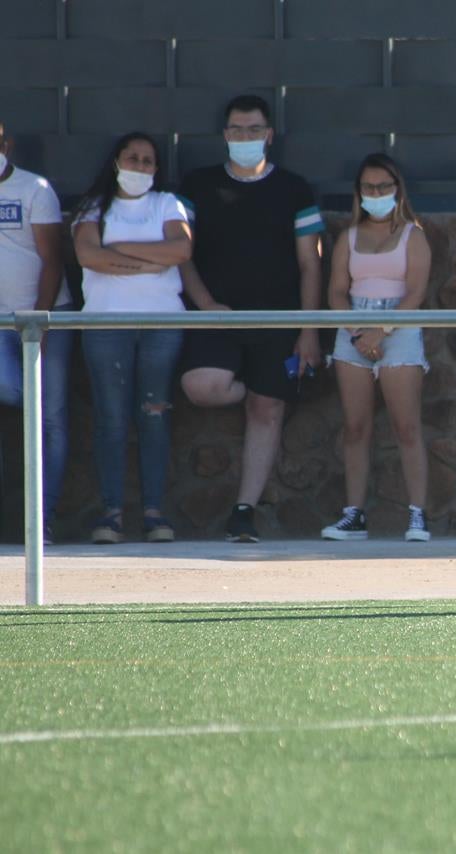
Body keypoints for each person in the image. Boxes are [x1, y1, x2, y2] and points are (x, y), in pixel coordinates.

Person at [177, 94, 324, 543]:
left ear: (269, 135)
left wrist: (309, 330)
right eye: (238, 130)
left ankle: (244, 512)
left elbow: (311, 264)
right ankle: (262, 387)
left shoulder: (295, 189)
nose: (246, 137)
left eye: (254, 129)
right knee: (202, 386)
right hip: (216, 319)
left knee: (267, 408)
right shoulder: (197, 185)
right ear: (225, 135)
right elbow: (181, 255)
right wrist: (206, 305)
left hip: (278, 321)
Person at [72, 133, 191, 543]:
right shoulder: (93, 207)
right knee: (111, 418)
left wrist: (119, 249)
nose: (139, 166)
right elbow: (88, 255)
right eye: (132, 158)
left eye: (147, 160)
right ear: (116, 162)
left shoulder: (167, 204)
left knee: (154, 415)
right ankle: (112, 514)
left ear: (156, 168)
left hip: (161, 324)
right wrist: (147, 260)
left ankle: (154, 513)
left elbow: (180, 250)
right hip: (105, 324)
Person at [322, 154, 431, 542]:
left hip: (398, 329)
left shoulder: (413, 236)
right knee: (355, 427)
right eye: (369, 187)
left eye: (384, 186)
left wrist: (381, 331)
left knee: (406, 425)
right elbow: (336, 291)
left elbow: (415, 292)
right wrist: (357, 333)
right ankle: (354, 514)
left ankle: (417, 515)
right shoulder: (348, 237)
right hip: (352, 330)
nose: (376, 193)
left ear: (397, 189)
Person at [0, 121, 74, 545]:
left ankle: (42, 518)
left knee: (51, 417)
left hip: (44, 317)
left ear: (6, 144)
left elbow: (52, 259)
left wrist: (39, 321)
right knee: (13, 393)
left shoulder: (35, 189)